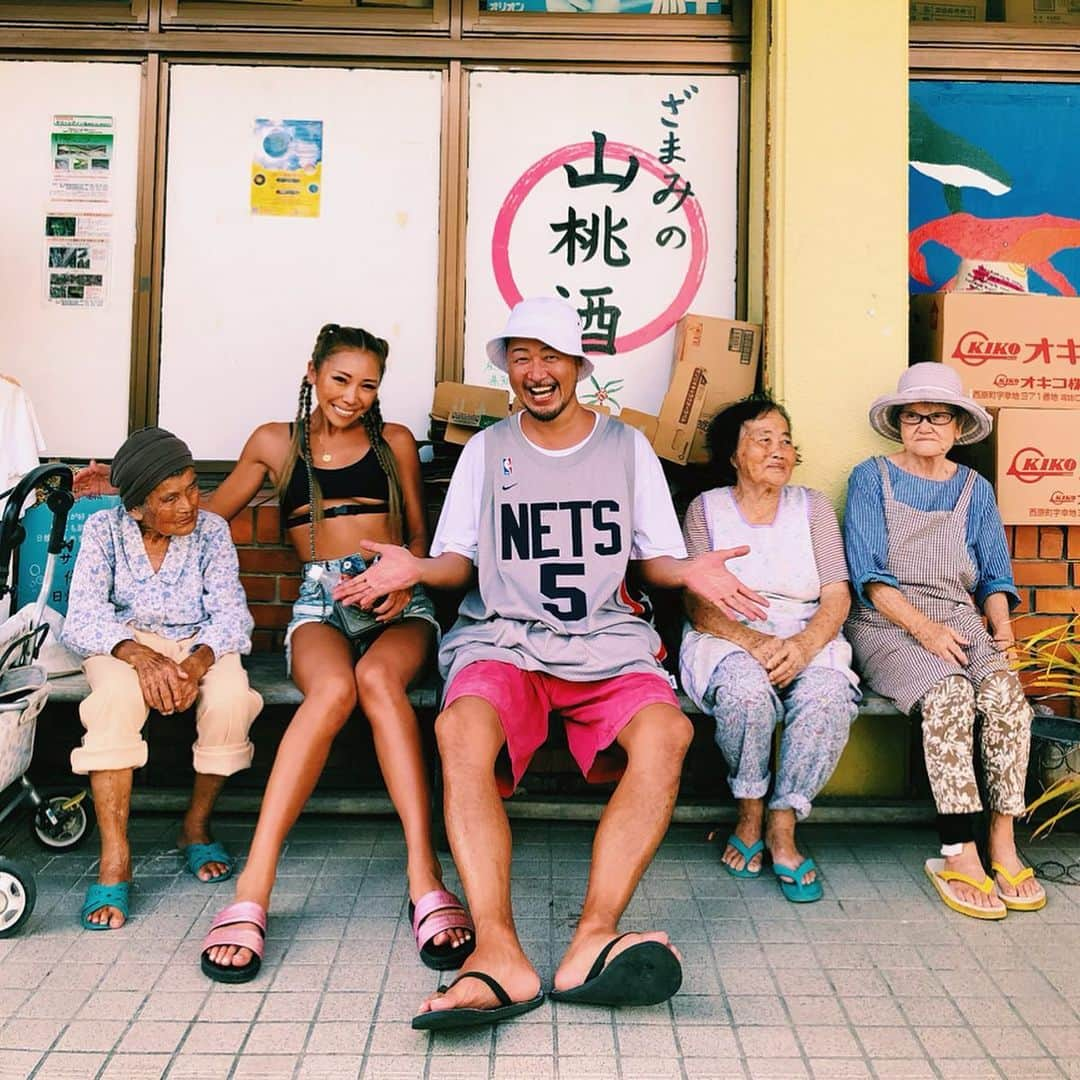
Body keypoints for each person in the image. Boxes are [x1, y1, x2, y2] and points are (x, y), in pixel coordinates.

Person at [344, 296, 767, 1030]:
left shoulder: (627, 448)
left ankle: (593, 939)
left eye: (550, 357)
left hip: (608, 642)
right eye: (521, 357)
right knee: (461, 733)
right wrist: (414, 568)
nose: (536, 372)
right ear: (508, 370)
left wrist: (690, 571)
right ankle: (498, 953)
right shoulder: (485, 451)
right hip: (503, 638)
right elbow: (455, 564)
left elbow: (656, 559)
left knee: (668, 735)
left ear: (578, 366)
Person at [197, 323, 472, 984]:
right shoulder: (275, 443)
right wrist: (123, 502)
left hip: (399, 602)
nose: (353, 395)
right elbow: (204, 519)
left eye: (368, 383)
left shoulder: (394, 443)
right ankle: (254, 888)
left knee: (379, 678)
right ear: (313, 372)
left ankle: (424, 876)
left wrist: (404, 584)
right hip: (320, 603)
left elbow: (419, 540)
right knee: (333, 688)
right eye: (341, 379)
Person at [844, 362, 1043, 920]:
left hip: (962, 618)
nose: (925, 425)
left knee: (1006, 695)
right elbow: (870, 576)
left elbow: (994, 577)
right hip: (888, 623)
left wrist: (1001, 631)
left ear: (957, 426)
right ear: (899, 424)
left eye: (938, 416)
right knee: (949, 693)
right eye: (914, 415)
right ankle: (957, 849)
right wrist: (923, 628)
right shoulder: (871, 477)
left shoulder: (974, 488)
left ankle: (1002, 839)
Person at [62, 427, 263, 930]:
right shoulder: (104, 532)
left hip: (196, 643)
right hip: (121, 642)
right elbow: (82, 615)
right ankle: (115, 861)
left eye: (193, 488)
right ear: (135, 508)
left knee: (232, 699)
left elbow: (232, 616)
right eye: (169, 498)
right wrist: (139, 656)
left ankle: (195, 828)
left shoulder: (212, 532)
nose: (189, 505)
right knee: (114, 702)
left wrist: (195, 665)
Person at [679, 397, 858, 902]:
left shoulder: (814, 506)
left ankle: (783, 824)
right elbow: (696, 601)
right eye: (763, 439)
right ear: (734, 455)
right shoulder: (706, 508)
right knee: (745, 692)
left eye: (785, 440)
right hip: (728, 634)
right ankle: (750, 811)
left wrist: (802, 647)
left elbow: (837, 595)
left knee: (826, 697)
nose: (779, 450)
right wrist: (753, 643)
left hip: (807, 630)